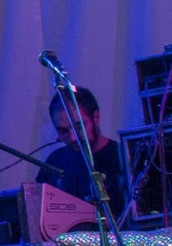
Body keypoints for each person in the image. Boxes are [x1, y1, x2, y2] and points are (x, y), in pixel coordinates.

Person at [37, 86, 130, 222]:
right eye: (63, 131)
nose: (73, 137)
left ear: (96, 117)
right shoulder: (54, 163)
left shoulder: (123, 157)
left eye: (79, 126)